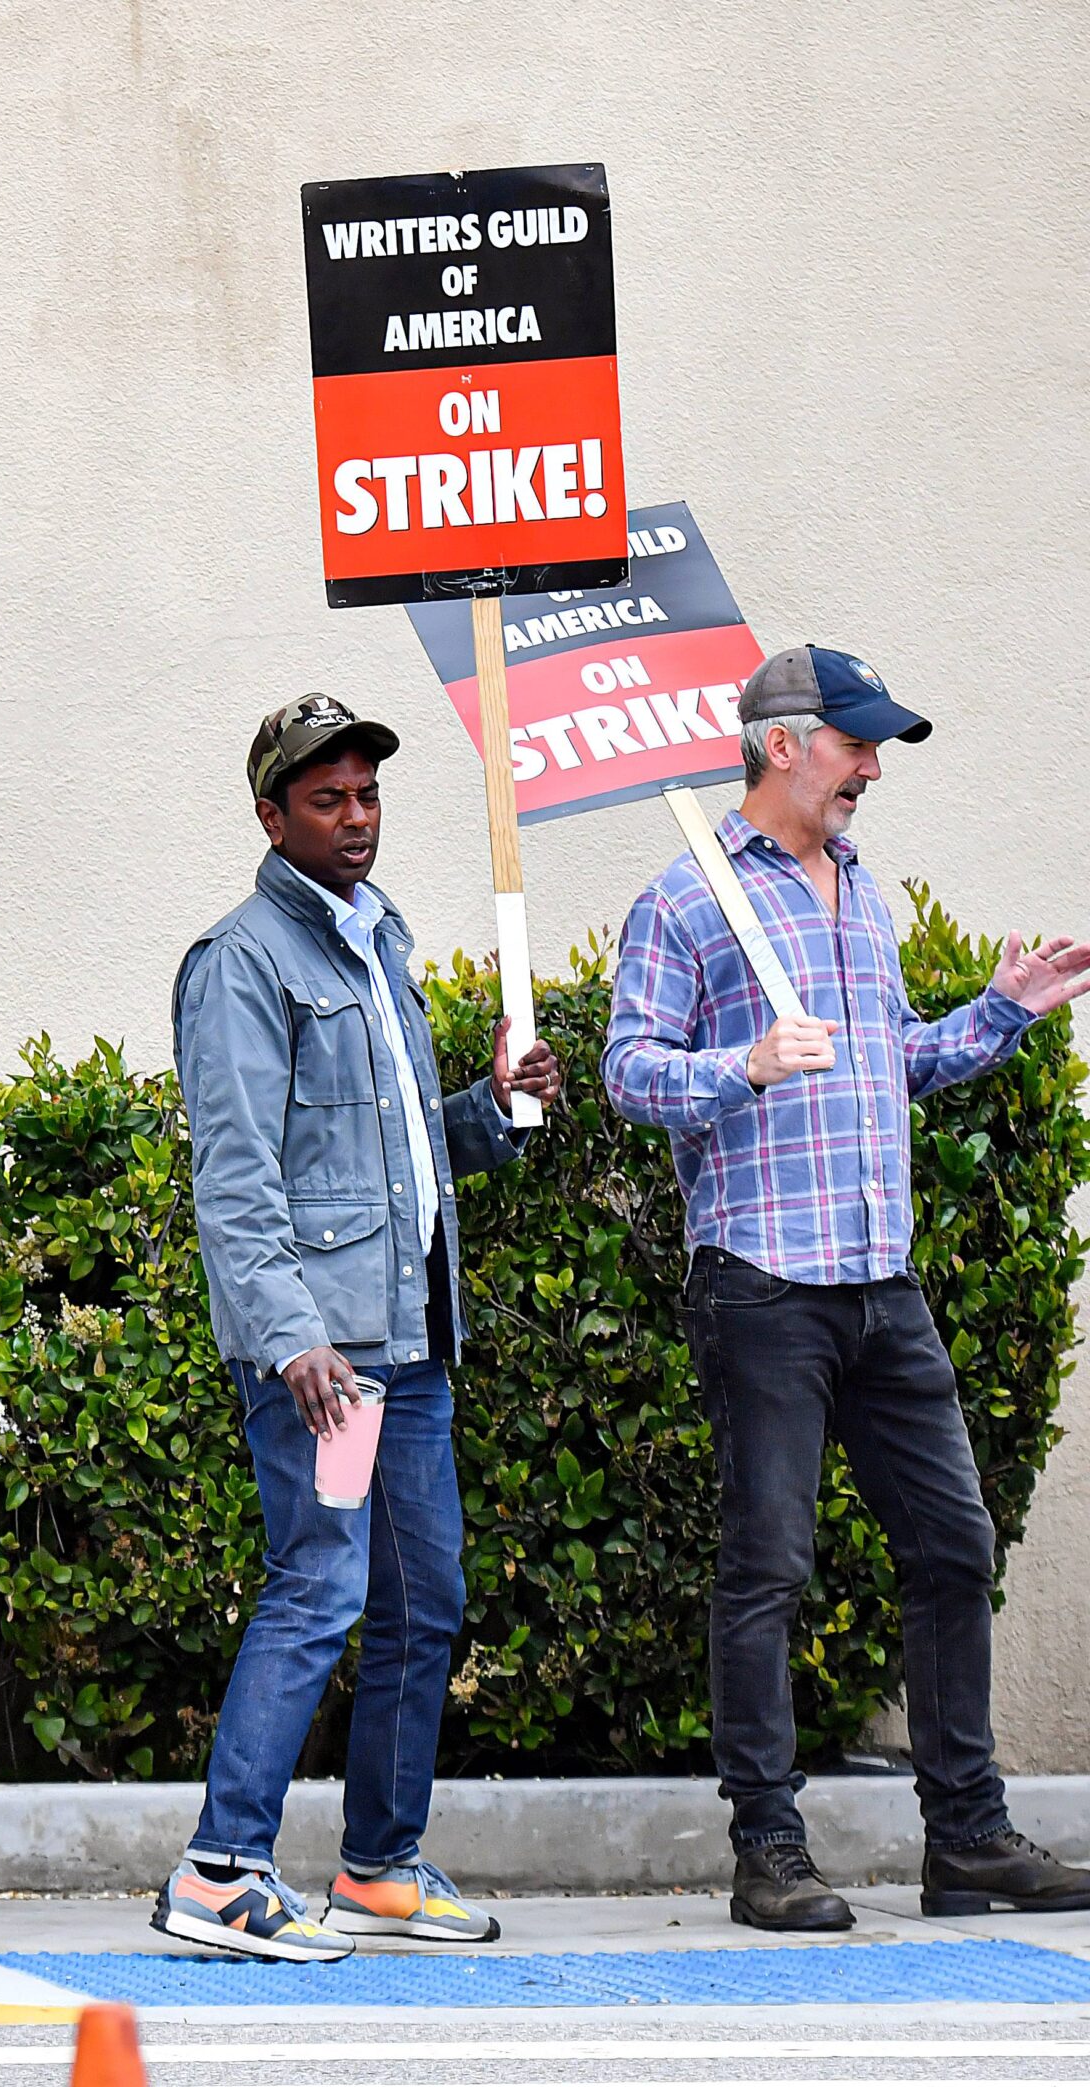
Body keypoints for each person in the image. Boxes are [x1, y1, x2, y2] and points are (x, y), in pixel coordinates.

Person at [604, 645, 1090, 1931]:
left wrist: (999, 1011)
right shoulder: (686, 899)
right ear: (782, 745)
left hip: (882, 1278)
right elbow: (626, 1074)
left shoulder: (859, 892)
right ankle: (768, 1849)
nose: (872, 767)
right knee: (767, 1566)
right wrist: (744, 1065)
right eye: (855, 743)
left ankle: (967, 1841)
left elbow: (888, 1068)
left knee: (953, 1545)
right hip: (762, 1278)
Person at [155, 694, 560, 1963]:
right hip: (325, 1360)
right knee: (320, 1585)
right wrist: (289, 1337)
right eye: (326, 799)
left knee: (422, 1601)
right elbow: (236, 1173)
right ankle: (220, 1867)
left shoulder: (376, 941)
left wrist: (489, 1109)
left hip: (407, 1339)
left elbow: (389, 1152)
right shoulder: (241, 960)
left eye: (367, 795)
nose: (355, 820)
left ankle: (379, 1866)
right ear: (270, 816)